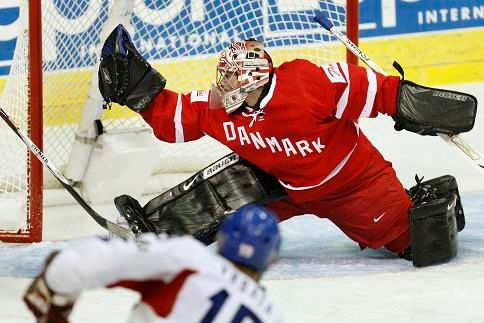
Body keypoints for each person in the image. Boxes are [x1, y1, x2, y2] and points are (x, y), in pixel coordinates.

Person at [98, 25, 476, 267]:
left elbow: (378, 91)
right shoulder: (221, 108)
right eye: (223, 77)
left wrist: (427, 109)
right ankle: (157, 230)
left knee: (421, 245)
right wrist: (138, 89)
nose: (223, 86)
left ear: (254, 83)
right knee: (228, 197)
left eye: (232, 80)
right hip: (285, 187)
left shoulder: (306, 83)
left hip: (354, 185)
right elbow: (176, 116)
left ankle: (424, 201)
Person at [23, 204, 285, 323]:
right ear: (270, 260)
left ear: (221, 238)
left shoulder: (191, 260)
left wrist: (54, 285)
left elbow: (86, 260)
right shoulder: (271, 315)